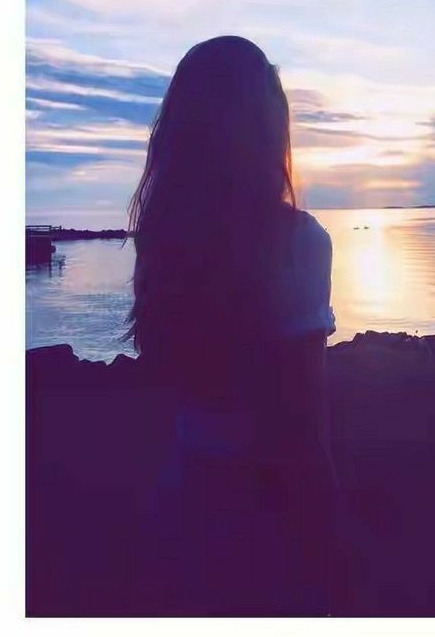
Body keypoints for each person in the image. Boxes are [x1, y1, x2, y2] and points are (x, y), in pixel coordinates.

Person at [125, 36, 337, 615]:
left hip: (183, 497)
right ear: (268, 129)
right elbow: (301, 426)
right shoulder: (298, 242)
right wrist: (329, 542)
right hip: (266, 518)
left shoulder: (164, 243)